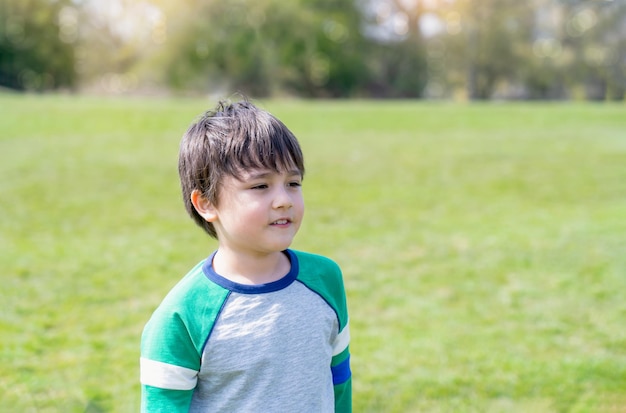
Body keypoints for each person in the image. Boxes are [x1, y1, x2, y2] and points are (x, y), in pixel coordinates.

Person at [140, 99, 351, 412]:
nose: (284, 200)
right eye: (261, 186)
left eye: (293, 183)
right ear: (207, 203)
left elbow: (339, 380)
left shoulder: (325, 279)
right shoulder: (182, 314)